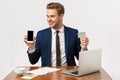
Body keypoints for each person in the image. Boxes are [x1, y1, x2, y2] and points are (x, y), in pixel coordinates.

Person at [24, 2, 89, 66]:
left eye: (52, 16)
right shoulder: (41, 35)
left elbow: (81, 59)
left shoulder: (73, 33)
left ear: (61, 16)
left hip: (68, 73)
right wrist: (31, 47)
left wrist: (84, 48)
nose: (49, 19)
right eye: (47, 16)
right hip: (48, 74)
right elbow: (33, 61)